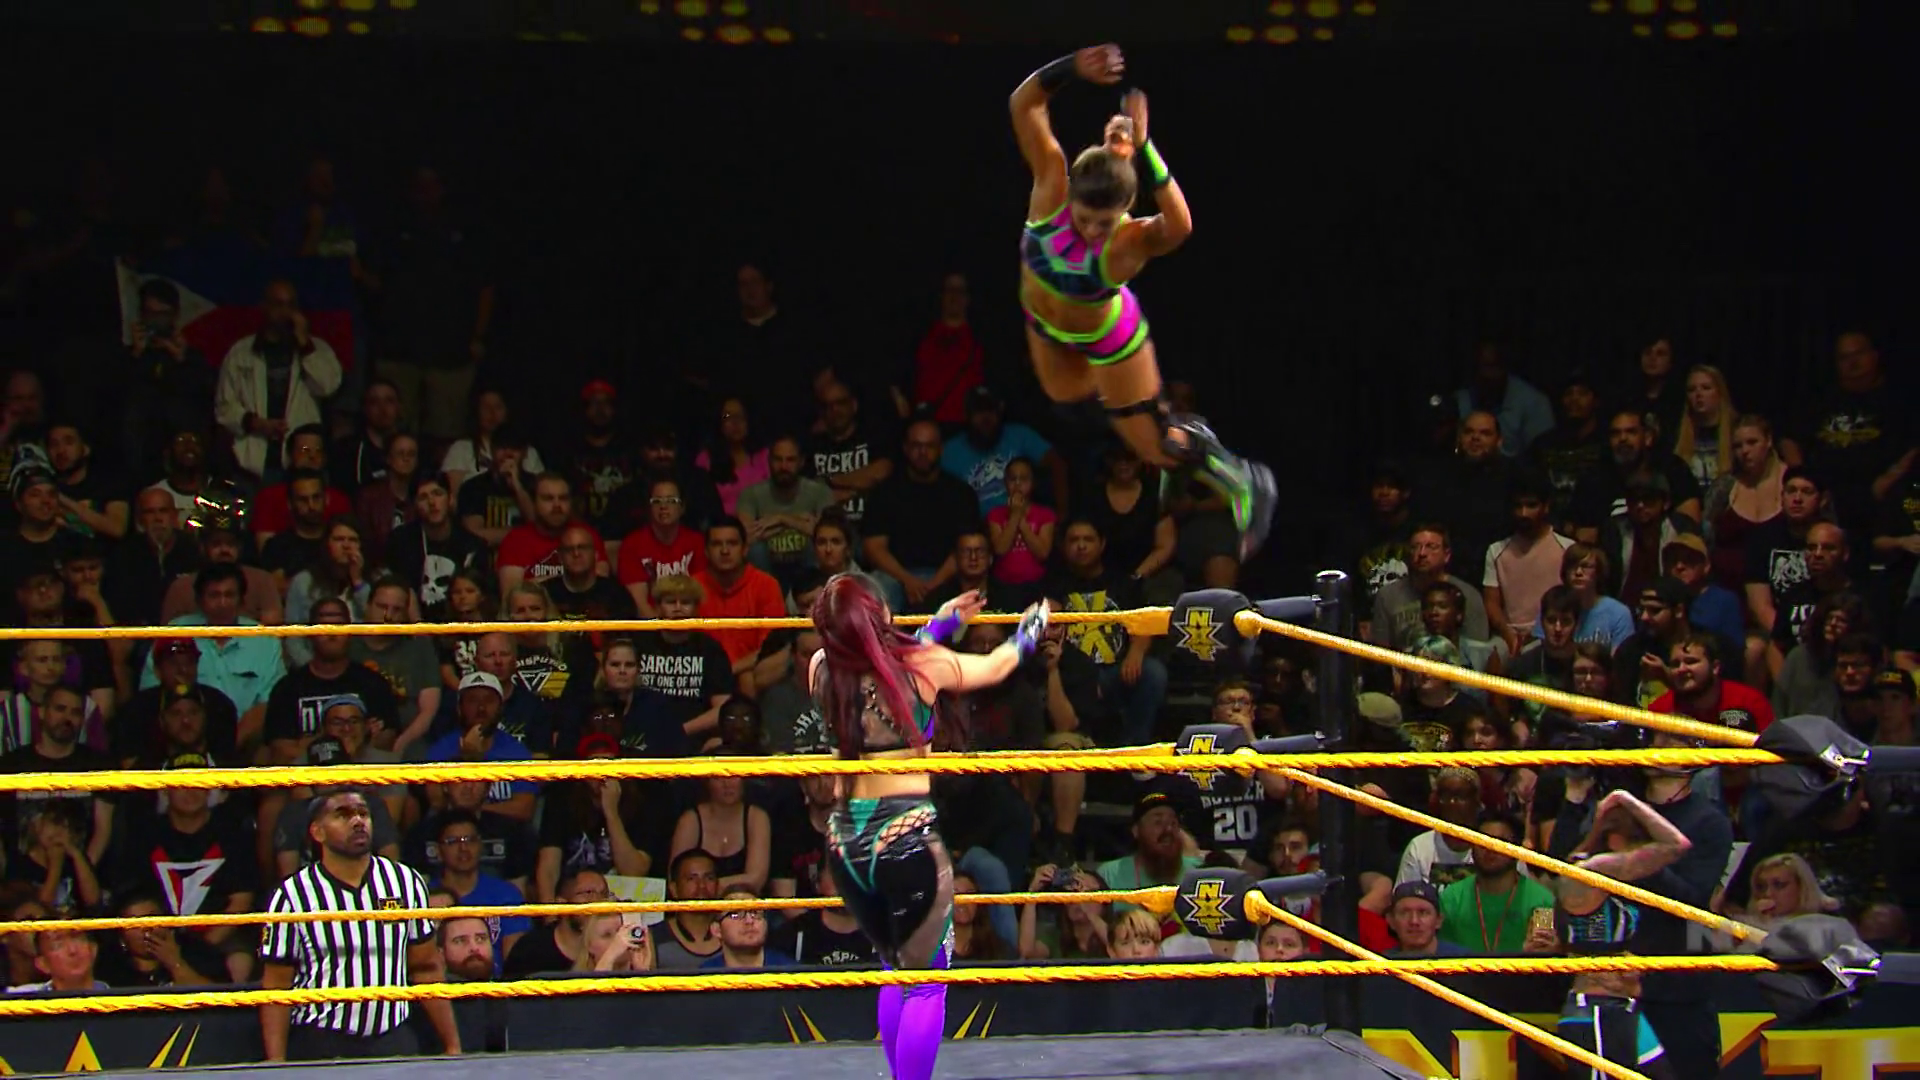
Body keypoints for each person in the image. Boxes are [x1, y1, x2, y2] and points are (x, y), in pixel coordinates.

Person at [1009, 44, 1274, 558]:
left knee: (1155, 447)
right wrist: (1072, 68)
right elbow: (1023, 104)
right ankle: (1173, 434)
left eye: (1103, 223)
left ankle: (1245, 477)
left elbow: (1180, 225)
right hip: (1046, 328)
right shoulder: (1050, 186)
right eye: (1084, 218)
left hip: (1109, 334)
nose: (1091, 230)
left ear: (1126, 209)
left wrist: (1146, 148)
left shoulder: (1129, 240)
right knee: (1065, 398)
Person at [810, 572, 1046, 1080]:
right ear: (879, 615)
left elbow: (873, 662)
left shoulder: (820, 669)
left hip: (844, 843)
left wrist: (938, 625)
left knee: (893, 968)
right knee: (925, 983)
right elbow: (996, 665)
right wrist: (1029, 632)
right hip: (904, 837)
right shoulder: (922, 665)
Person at [259, 791, 461, 1061]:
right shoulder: (293, 895)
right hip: (322, 1037)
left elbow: (426, 968)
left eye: (362, 813)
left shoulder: (404, 882)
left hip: (392, 1034)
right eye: (342, 815)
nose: (357, 821)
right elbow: (277, 984)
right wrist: (276, 1062)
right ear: (318, 832)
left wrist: (452, 1045)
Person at [1553, 790, 1692, 1080]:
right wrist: (1625, 798)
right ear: (1616, 839)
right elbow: (1676, 844)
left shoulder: (1603, 879)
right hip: (1595, 1009)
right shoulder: (1587, 874)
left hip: (1620, 1005)